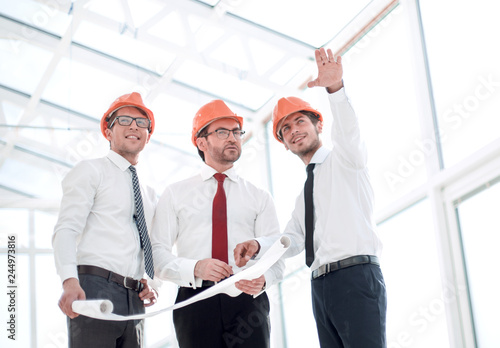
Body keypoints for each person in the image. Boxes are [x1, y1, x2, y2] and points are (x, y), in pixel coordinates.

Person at [234, 48, 387, 348]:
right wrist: (257, 246)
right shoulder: (304, 194)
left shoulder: (346, 161)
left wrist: (335, 89)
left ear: (319, 125)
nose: (294, 131)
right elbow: (291, 238)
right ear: (284, 143)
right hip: (321, 285)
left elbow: (349, 132)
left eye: (300, 122)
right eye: (285, 129)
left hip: (356, 277)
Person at [151, 99, 284, 348]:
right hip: (195, 300)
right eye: (222, 132)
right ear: (201, 142)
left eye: (236, 132)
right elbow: (157, 256)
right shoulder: (175, 194)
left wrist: (264, 279)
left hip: (248, 300)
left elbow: (276, 255)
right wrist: (195, 268)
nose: (232, 138)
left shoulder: (259, 197)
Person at [52, 92, 158, 348]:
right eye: (124, 120)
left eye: (141, 122)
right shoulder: (91, 171)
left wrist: (153, 284)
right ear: (108, 132)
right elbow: (66, 228)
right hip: (95, 287)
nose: (134, 126)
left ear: (148, 135)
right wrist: (69, 281)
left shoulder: (151, 193)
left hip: (135, 300)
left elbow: (152, 243)